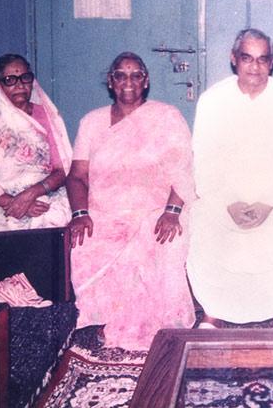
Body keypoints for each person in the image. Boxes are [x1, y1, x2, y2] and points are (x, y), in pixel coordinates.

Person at [66, 51, 195, 349]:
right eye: (121, 75)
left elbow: (184, 170)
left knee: (159, 244)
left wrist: (172, 211)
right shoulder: (91, 122)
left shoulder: (166, 117)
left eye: (136, 75)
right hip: (103, 211)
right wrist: (80, 213)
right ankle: (106, 318)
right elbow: (76, 176)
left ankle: (135, 327)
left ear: (146, 81)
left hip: (157, 210)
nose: (129, 82)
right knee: (84, 240)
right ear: (110, 82)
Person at [187, 28, 273, 328]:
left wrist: (269, 203)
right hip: (224, 197)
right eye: (247, 58)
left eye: (262, 59)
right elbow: (204, 161)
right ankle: (213, 313)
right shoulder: (212, 100)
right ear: (234, 60)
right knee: (203, 221)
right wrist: (229, 202)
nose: (254, 67)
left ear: (271, 63)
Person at [0, 54, 72, 235]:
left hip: (42, 193)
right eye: (10, 80)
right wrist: (12, 202)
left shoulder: (47, 115)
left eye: (25, 77)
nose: (20, 85)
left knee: (53, 217)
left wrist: (30, 195)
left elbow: (62, 168)